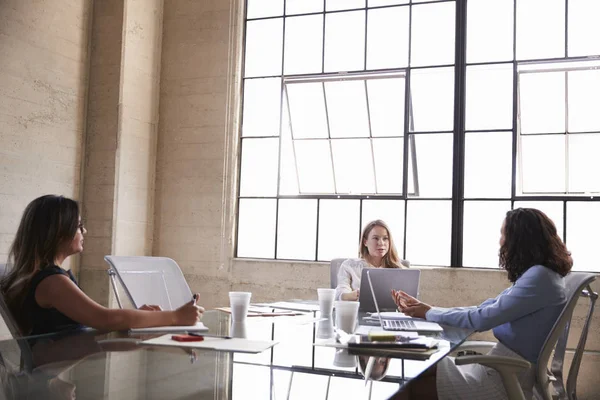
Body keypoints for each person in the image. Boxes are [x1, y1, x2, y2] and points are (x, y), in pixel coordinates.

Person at [391, 208, 573, 400]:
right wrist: (427, 309)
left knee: (404, 385)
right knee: (411, 368)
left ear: (520, 240)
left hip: (502, 379)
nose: (500, 241)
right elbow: (483, 308)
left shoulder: (539, 278)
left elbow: (481, 319)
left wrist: (428, 312)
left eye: (504, 235)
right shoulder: (543, 276)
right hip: (499, 369)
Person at [0, 195, 203, 336]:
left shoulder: (43, 277)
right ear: (59, 232)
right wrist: (176, 316)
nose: (85, 231)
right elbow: (104, 319)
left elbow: (94, 321)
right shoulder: (52, 282)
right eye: (79, 226)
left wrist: (137, 317)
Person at [335, 219, 409, 301]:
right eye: (376, 238)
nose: (381, 243)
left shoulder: (399, 270)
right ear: (365, 242)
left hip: (389, 313)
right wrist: (354, 295)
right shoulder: (349, 265)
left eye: (385, 238)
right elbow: (340, 293)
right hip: (357, 312)